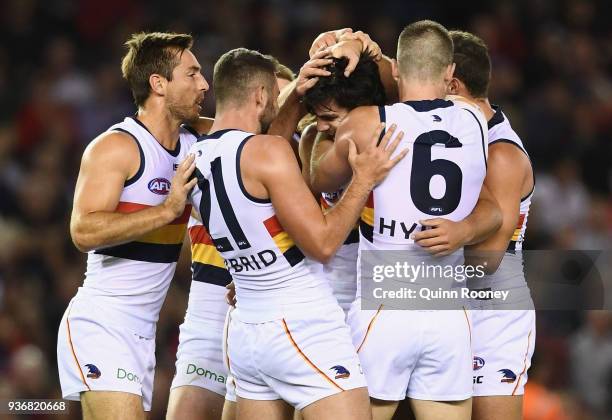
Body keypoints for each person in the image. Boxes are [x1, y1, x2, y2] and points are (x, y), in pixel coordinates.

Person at [190, 47, 406, 420]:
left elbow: (256, 185)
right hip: (300, 319)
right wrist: (364, 180)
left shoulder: (195, 158)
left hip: (246, 326)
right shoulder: (271, 151)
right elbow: (322, 244)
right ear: (260, 95)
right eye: (277, 96)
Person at [309, 20, 501, 420]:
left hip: (385, 303)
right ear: (450, 74)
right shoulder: (474, 121)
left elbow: (318, 178)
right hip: (448, 307)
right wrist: (462, 229)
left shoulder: (366, 122)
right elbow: (493, 210)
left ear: (396, 71)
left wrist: (325, 130)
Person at [56, 32, 208, 420]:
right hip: (102, 323)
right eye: (191, 74)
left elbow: (250, 127)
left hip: (144, 334)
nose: (204, 84)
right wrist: (166, 210)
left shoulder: (193, 143)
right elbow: (83, 231)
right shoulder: (118, 146)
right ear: (158, 84)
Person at [413, 30, 535, 420]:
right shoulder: (459, 135)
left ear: (452, 83)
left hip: (493, 312)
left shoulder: (501, 153)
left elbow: (486, 260)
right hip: (448, 305)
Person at [166, 62, 297, 420]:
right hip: (209, 314)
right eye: (273, 97)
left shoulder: (302, 165)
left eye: (284, 101)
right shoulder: (202, 151)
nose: (276, 108)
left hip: (273, 315)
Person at [299, 55, 387, 314]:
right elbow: (311, 194)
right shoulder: (311, 137)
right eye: (316, 115)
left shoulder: (390, 135)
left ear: (361, 111)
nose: (320, 125)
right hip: (332, 285)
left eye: (329, 117)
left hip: (384, 282)